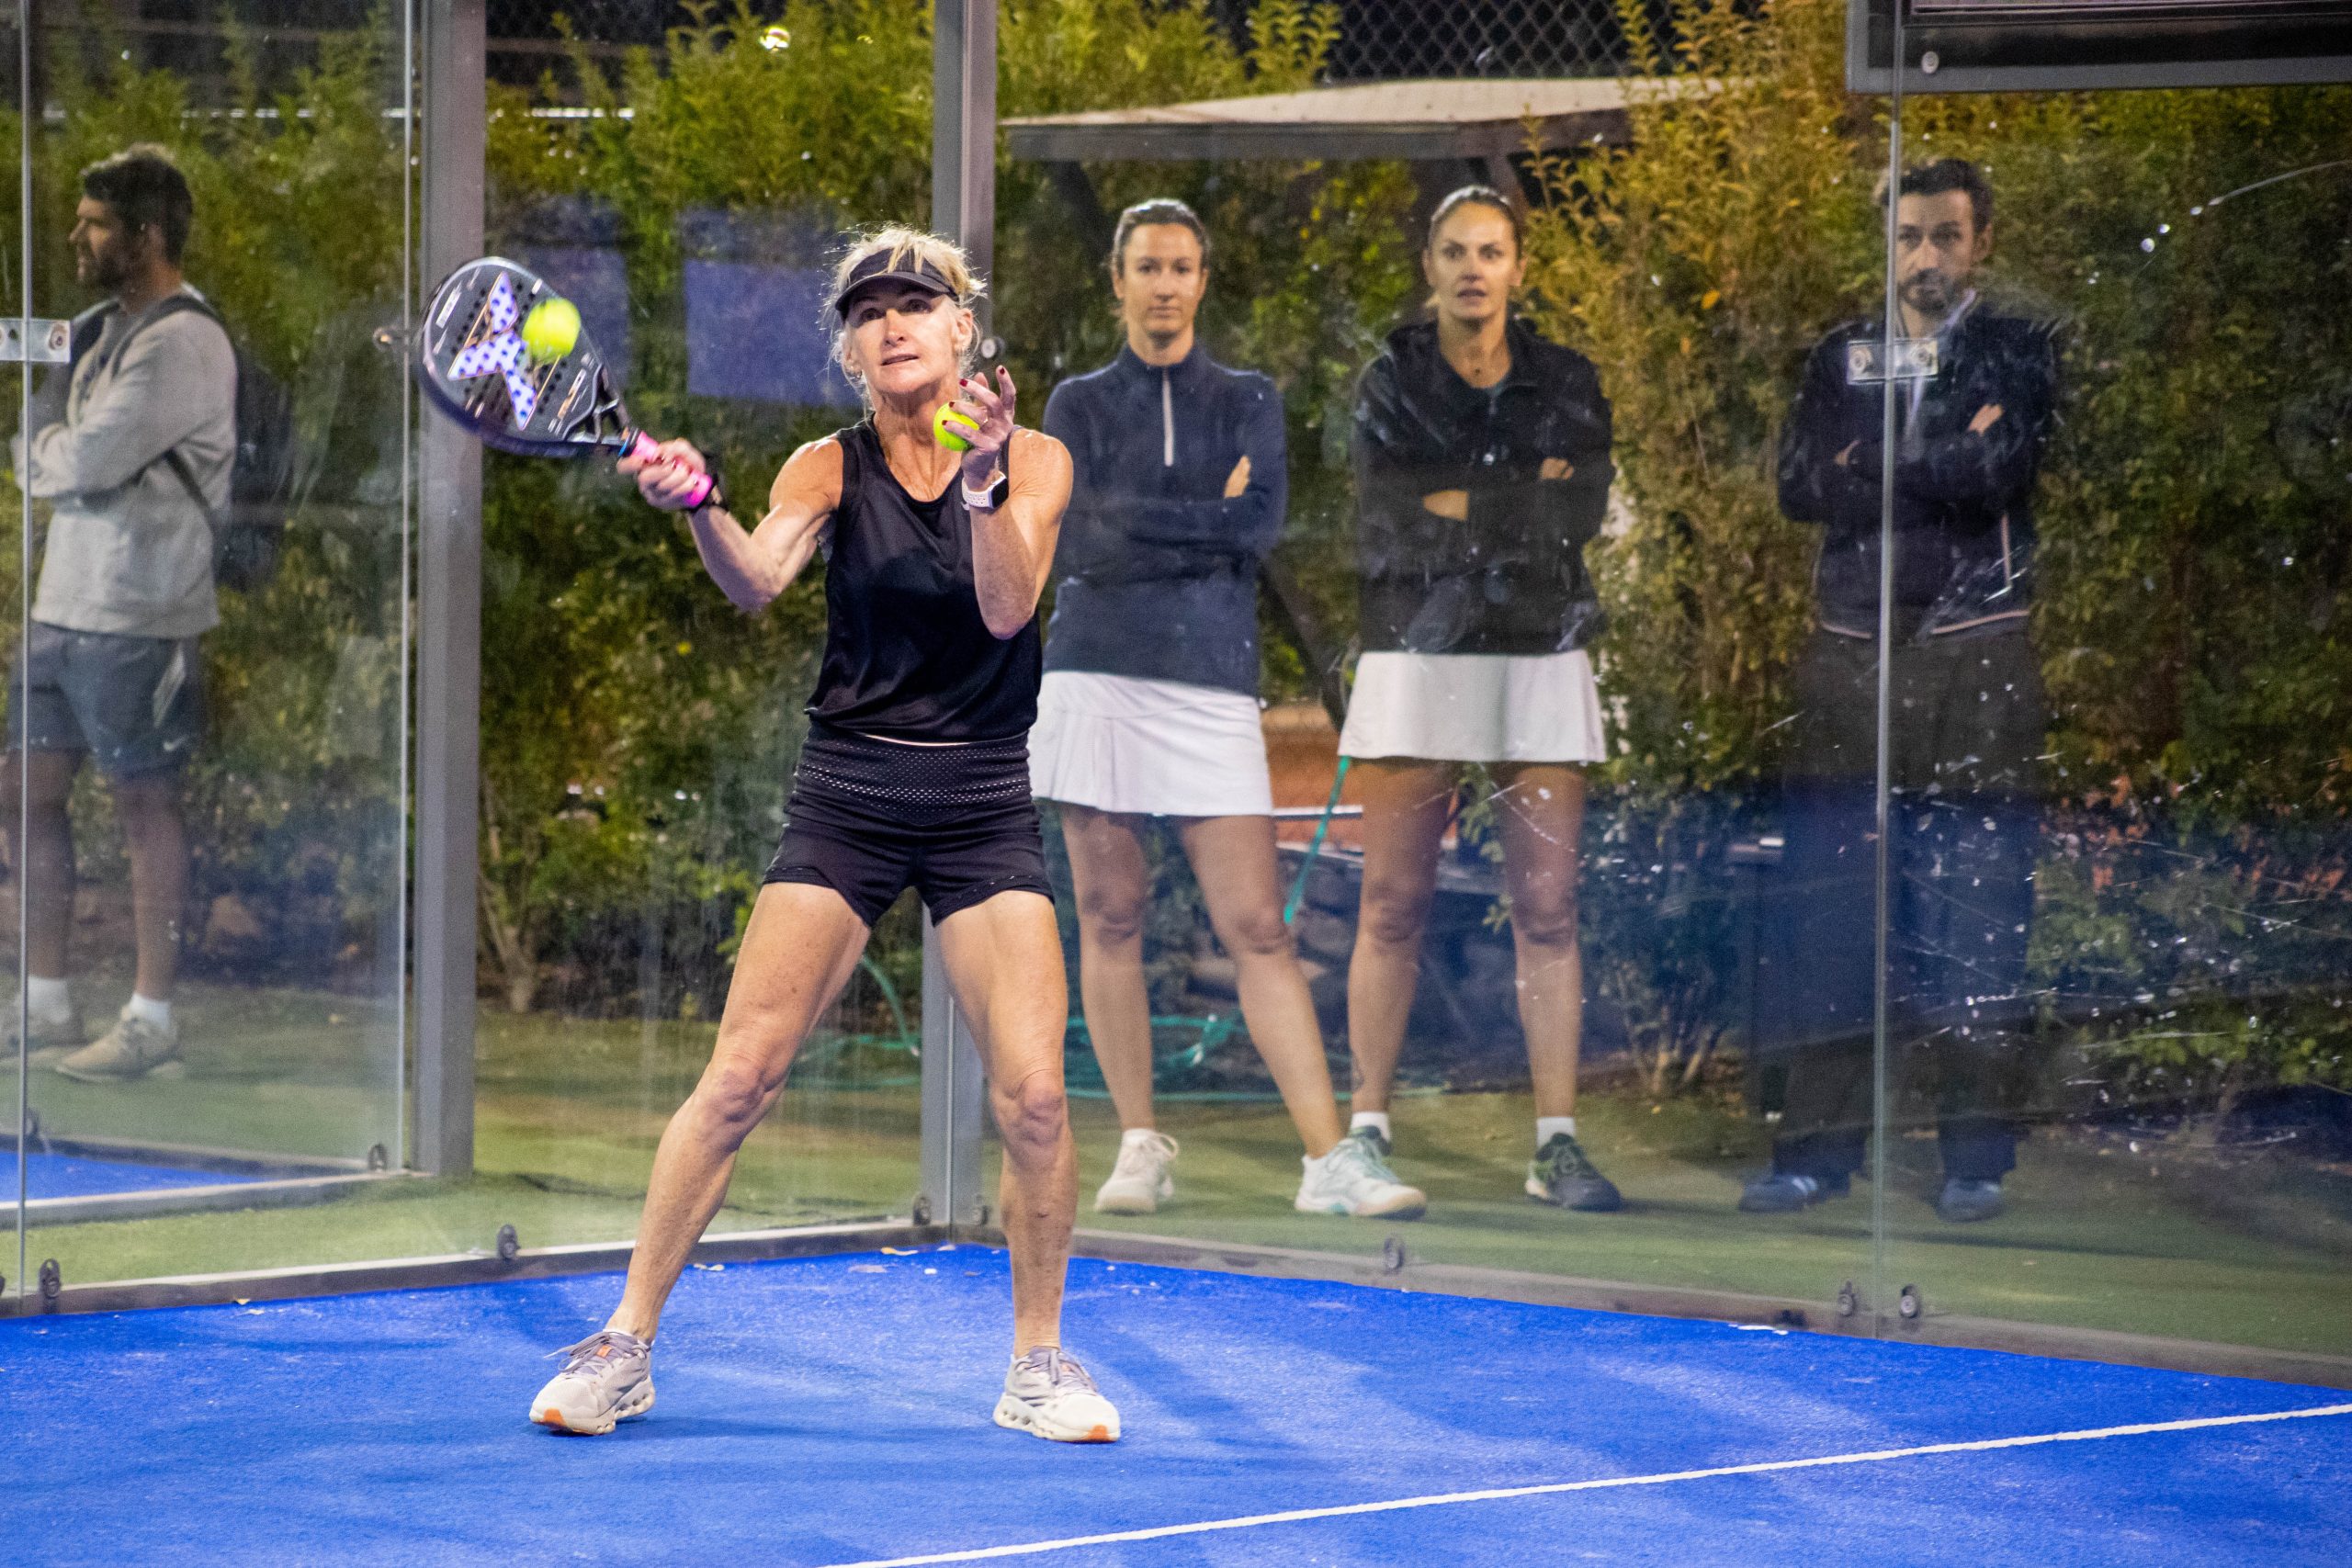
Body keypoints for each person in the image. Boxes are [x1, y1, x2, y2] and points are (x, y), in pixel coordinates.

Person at [529, 229, 1121, 1443]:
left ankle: (1039, 1365)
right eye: (867, 312)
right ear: (851, 351)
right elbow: (754, 578)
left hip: (981, 799)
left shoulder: (1037, 459)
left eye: (917, 303)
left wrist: (982, 483)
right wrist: (700, 505)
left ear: (963, 328)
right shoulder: (826, 465)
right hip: (850, 793)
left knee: (1035, 1098)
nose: (892, 324)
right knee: (740, 1075)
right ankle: (624, 1345)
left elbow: (1006, 608)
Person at [1034, 198, 1424, 1221]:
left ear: (1202, 282)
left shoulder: (1248, 398)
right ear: (1118, 282)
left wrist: (1141, 521)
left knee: (1255, 923)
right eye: (1147, 267)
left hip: (1209, 682)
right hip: (1094, 674)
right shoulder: (1075, 404)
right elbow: (1074, 539)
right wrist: (1198, 516)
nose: (1164, 285)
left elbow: (1256, 528)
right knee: (1110, 915)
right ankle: (1137, 1145)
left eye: (1181, 268)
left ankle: (1328, 1159)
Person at [1747, 159, 2060, 1224]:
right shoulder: (1839, 352)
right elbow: (1798, 484)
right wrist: (1933, 456)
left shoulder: (2017, 349)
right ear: (1885, 243)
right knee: (1830, 909)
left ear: (1981, 243)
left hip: (1976, 649)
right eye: (1909, 236)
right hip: (1848, 650)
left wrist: (1870, 465)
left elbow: (1997, 471)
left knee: (1977, 907)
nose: (1925, 257)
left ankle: (1974, 1161)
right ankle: (1814, 1154)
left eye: (1946, 236)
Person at [1339, 186, 1620, 1212]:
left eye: (1491, 252)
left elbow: (1577, 509)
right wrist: (1520, 501)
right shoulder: (1387, 382)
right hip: (1414, 648)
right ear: (1430, 265)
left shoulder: (1567, 380)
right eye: (1455, 251)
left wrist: (1462, 502)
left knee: (1547, 906)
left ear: (1517, 268)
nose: (1472, 268)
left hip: (1539, 648)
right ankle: (1364, 1135)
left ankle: (1556, 1146)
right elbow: (1387, 519)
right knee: (1392, 902)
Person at [6, 145, 234, 1082]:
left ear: (146, 235)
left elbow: (82, 459)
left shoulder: (184, 342)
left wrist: (41, 451)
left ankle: (151, 1018)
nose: (77, 235)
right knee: (25, 791)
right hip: (64, 605)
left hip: (140, 612)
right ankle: (46, 999)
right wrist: (47, 449)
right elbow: (52, 445)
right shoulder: (102, 329)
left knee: (145, 805)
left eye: (97, 223)